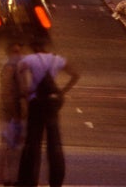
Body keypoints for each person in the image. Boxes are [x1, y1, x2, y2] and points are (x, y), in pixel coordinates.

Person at [16, 37, 79, 187]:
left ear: (34, 47)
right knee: (54, 143)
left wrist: (26, 90)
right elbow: (75, 75)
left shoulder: (30, 59)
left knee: (33, 142)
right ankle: (56, 180)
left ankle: (29, 180)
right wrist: (62, 92)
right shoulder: (57, 59)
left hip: (36, 103)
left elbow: (19, 72)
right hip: (52, 104)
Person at [0, 41, 24, 187]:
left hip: (12, 110)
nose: (18, 55)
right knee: (7, 144)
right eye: (15, 52)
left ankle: (10, 176)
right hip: (8, 111)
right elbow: (7, 93)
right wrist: (16, 115)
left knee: (13, 145)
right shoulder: (9, 68)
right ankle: (3, 176)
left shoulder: (15, 67)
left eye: (19, 51)